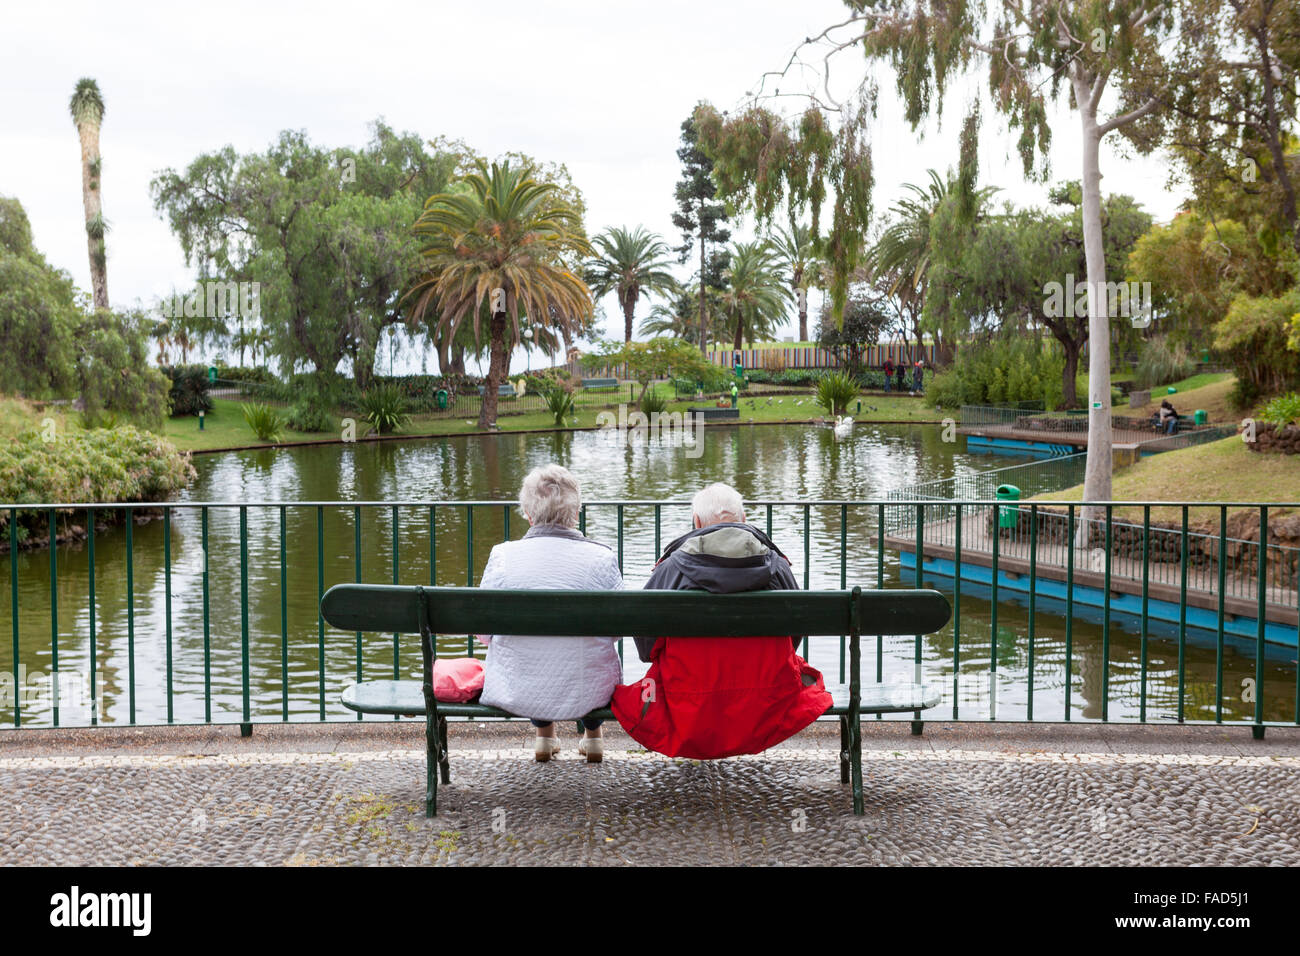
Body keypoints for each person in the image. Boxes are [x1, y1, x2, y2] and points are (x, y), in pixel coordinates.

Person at [610, 483, 832, 759]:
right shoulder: (777, 566)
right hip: (764, 704)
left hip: (689, 705)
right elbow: (794, 636)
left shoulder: (670, 570)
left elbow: (646, 648)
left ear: (697, 523)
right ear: (743, 520)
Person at [477, 464, 623, 763]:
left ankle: (544, 737)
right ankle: (593, 738)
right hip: (590, 690)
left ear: (528, 514)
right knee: (588, 656)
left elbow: (483, 633)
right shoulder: (601, 558)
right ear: (575, 513)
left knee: (532, 654)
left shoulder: (502, 557)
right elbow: (617, 630)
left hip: (518, 687)